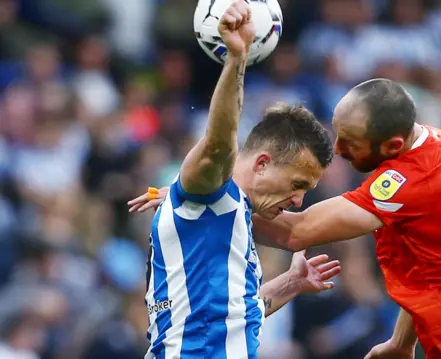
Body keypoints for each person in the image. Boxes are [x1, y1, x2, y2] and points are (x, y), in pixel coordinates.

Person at [130, 79, 441, 359]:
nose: (339, 149)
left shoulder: (410, 181)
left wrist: (202, 200)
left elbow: (297, 231)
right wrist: (400, 342)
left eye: (351, 142)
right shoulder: (437, 144)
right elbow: (430, 270)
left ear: (392, 144)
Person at [139, 1, 341, 358]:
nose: (298, 201)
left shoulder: (229, 216)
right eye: (297, 185)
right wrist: (236, 59)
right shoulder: (211, 195)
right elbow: (220, 142)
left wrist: (290, 284)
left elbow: (236, 313)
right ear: (261, 164)